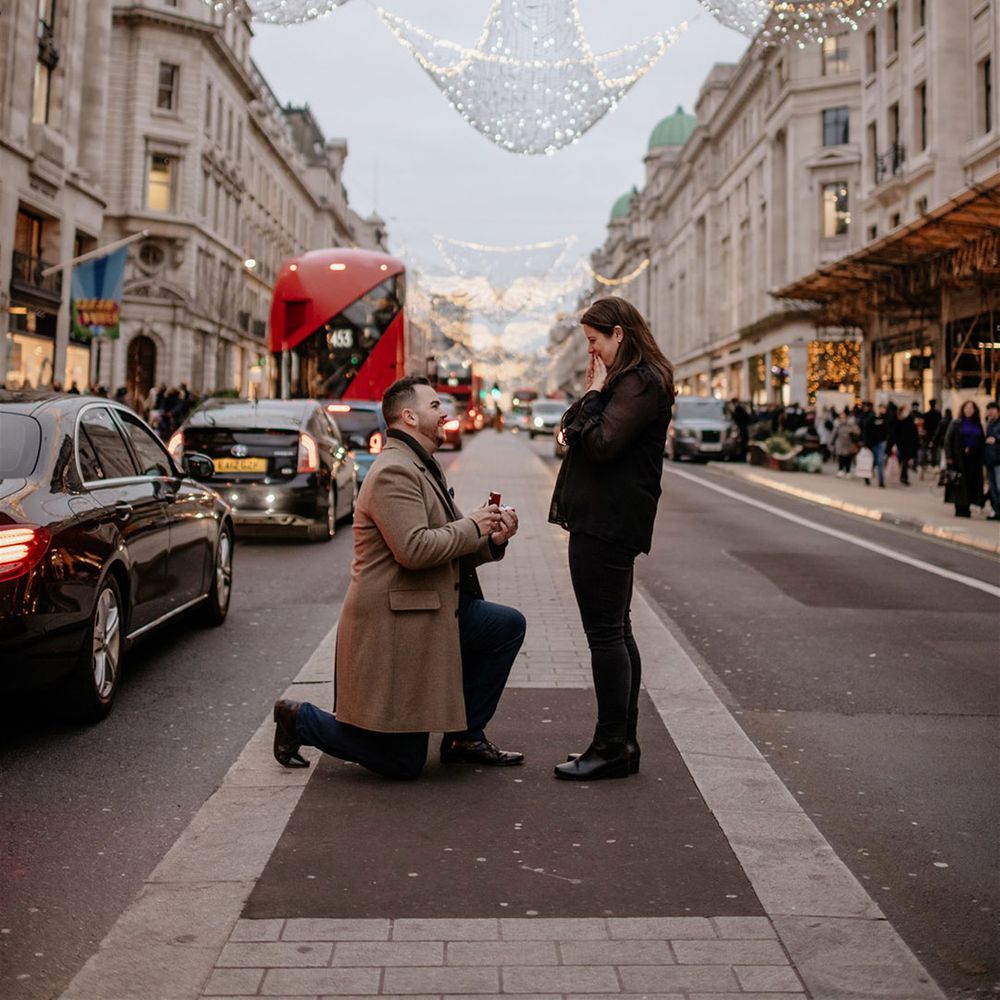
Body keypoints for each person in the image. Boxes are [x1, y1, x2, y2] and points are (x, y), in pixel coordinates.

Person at [272, 375, 526, 780]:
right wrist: (474, 527)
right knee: (403, 763)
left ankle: (464, 738)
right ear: (409, 417)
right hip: (396, 626)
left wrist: (491, 538)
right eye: (435, 406)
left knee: (505, 626)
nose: (445, 414)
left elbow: (451, 542)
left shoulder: (422, 466)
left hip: (432, 609)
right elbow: (415, 550)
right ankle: (301, 720)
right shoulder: (394, 471)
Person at [548, 297, 673, 781]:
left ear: (619, 334)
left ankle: (611, 744)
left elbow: (597, 443)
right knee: (616, 630)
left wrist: (596, 393)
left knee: (605, 634)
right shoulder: (627, 380)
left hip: (608, 521)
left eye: (595, 341)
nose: (591, 352)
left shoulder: (639, 381)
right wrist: (594, 396)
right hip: (605, 518)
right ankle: (622, 741)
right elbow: (567, 431)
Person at [943, 400, 986, 518]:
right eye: (966, 408)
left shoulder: (978, 424)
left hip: (974, 459)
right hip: (958, 458)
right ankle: (960, 507)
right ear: (963, 409)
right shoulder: (956, 423)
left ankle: (967, 506)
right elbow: (948, 440)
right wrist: (949, 456)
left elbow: (981, 441)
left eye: (971, 408)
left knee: (971, 483)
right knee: (959, 482)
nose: (969, 410)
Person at [889, 405, 919, 485]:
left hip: (908, 444)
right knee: (898, 461)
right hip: (899, 445)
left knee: (905, 461)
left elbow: (914, 433)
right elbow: (893, 433)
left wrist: (916, 444)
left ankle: (904, 477)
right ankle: (897, 475)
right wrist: (893, 444)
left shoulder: (911, 420)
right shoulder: (897, 420)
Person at [862, 402, 890, 487]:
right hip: (873, 443)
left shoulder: (886, 419)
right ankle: (867, 476)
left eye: (885, 409)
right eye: (882, 408)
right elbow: (866, 431)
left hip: (882, 442)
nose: (883, 410)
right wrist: (866, 443)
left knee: (880, 461)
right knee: (873, 462)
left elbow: (888, 431)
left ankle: (881, 481)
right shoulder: (871, 419)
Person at [983, 400, 1000, 520]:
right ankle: (996, 511)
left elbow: (995, 438)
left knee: (999, 487)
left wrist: (997, 439)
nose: (990, 412)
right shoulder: (989, 423)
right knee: (993, 488)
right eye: (989, 410)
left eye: (992, 409)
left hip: (998, 460)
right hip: (990, 460)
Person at [829, 410, 857, 477]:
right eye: (841, 417)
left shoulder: (851, 425)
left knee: (848, 458)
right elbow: (833, 434)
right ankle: (840, 470)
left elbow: (857, 432)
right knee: (841, 457)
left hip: (849, 444)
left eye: (844, 417)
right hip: (840, 443)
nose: (842, 419)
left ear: (847, 418)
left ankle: (848, 471)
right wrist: (831, 442)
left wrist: (853, 432)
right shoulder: (838, 425)